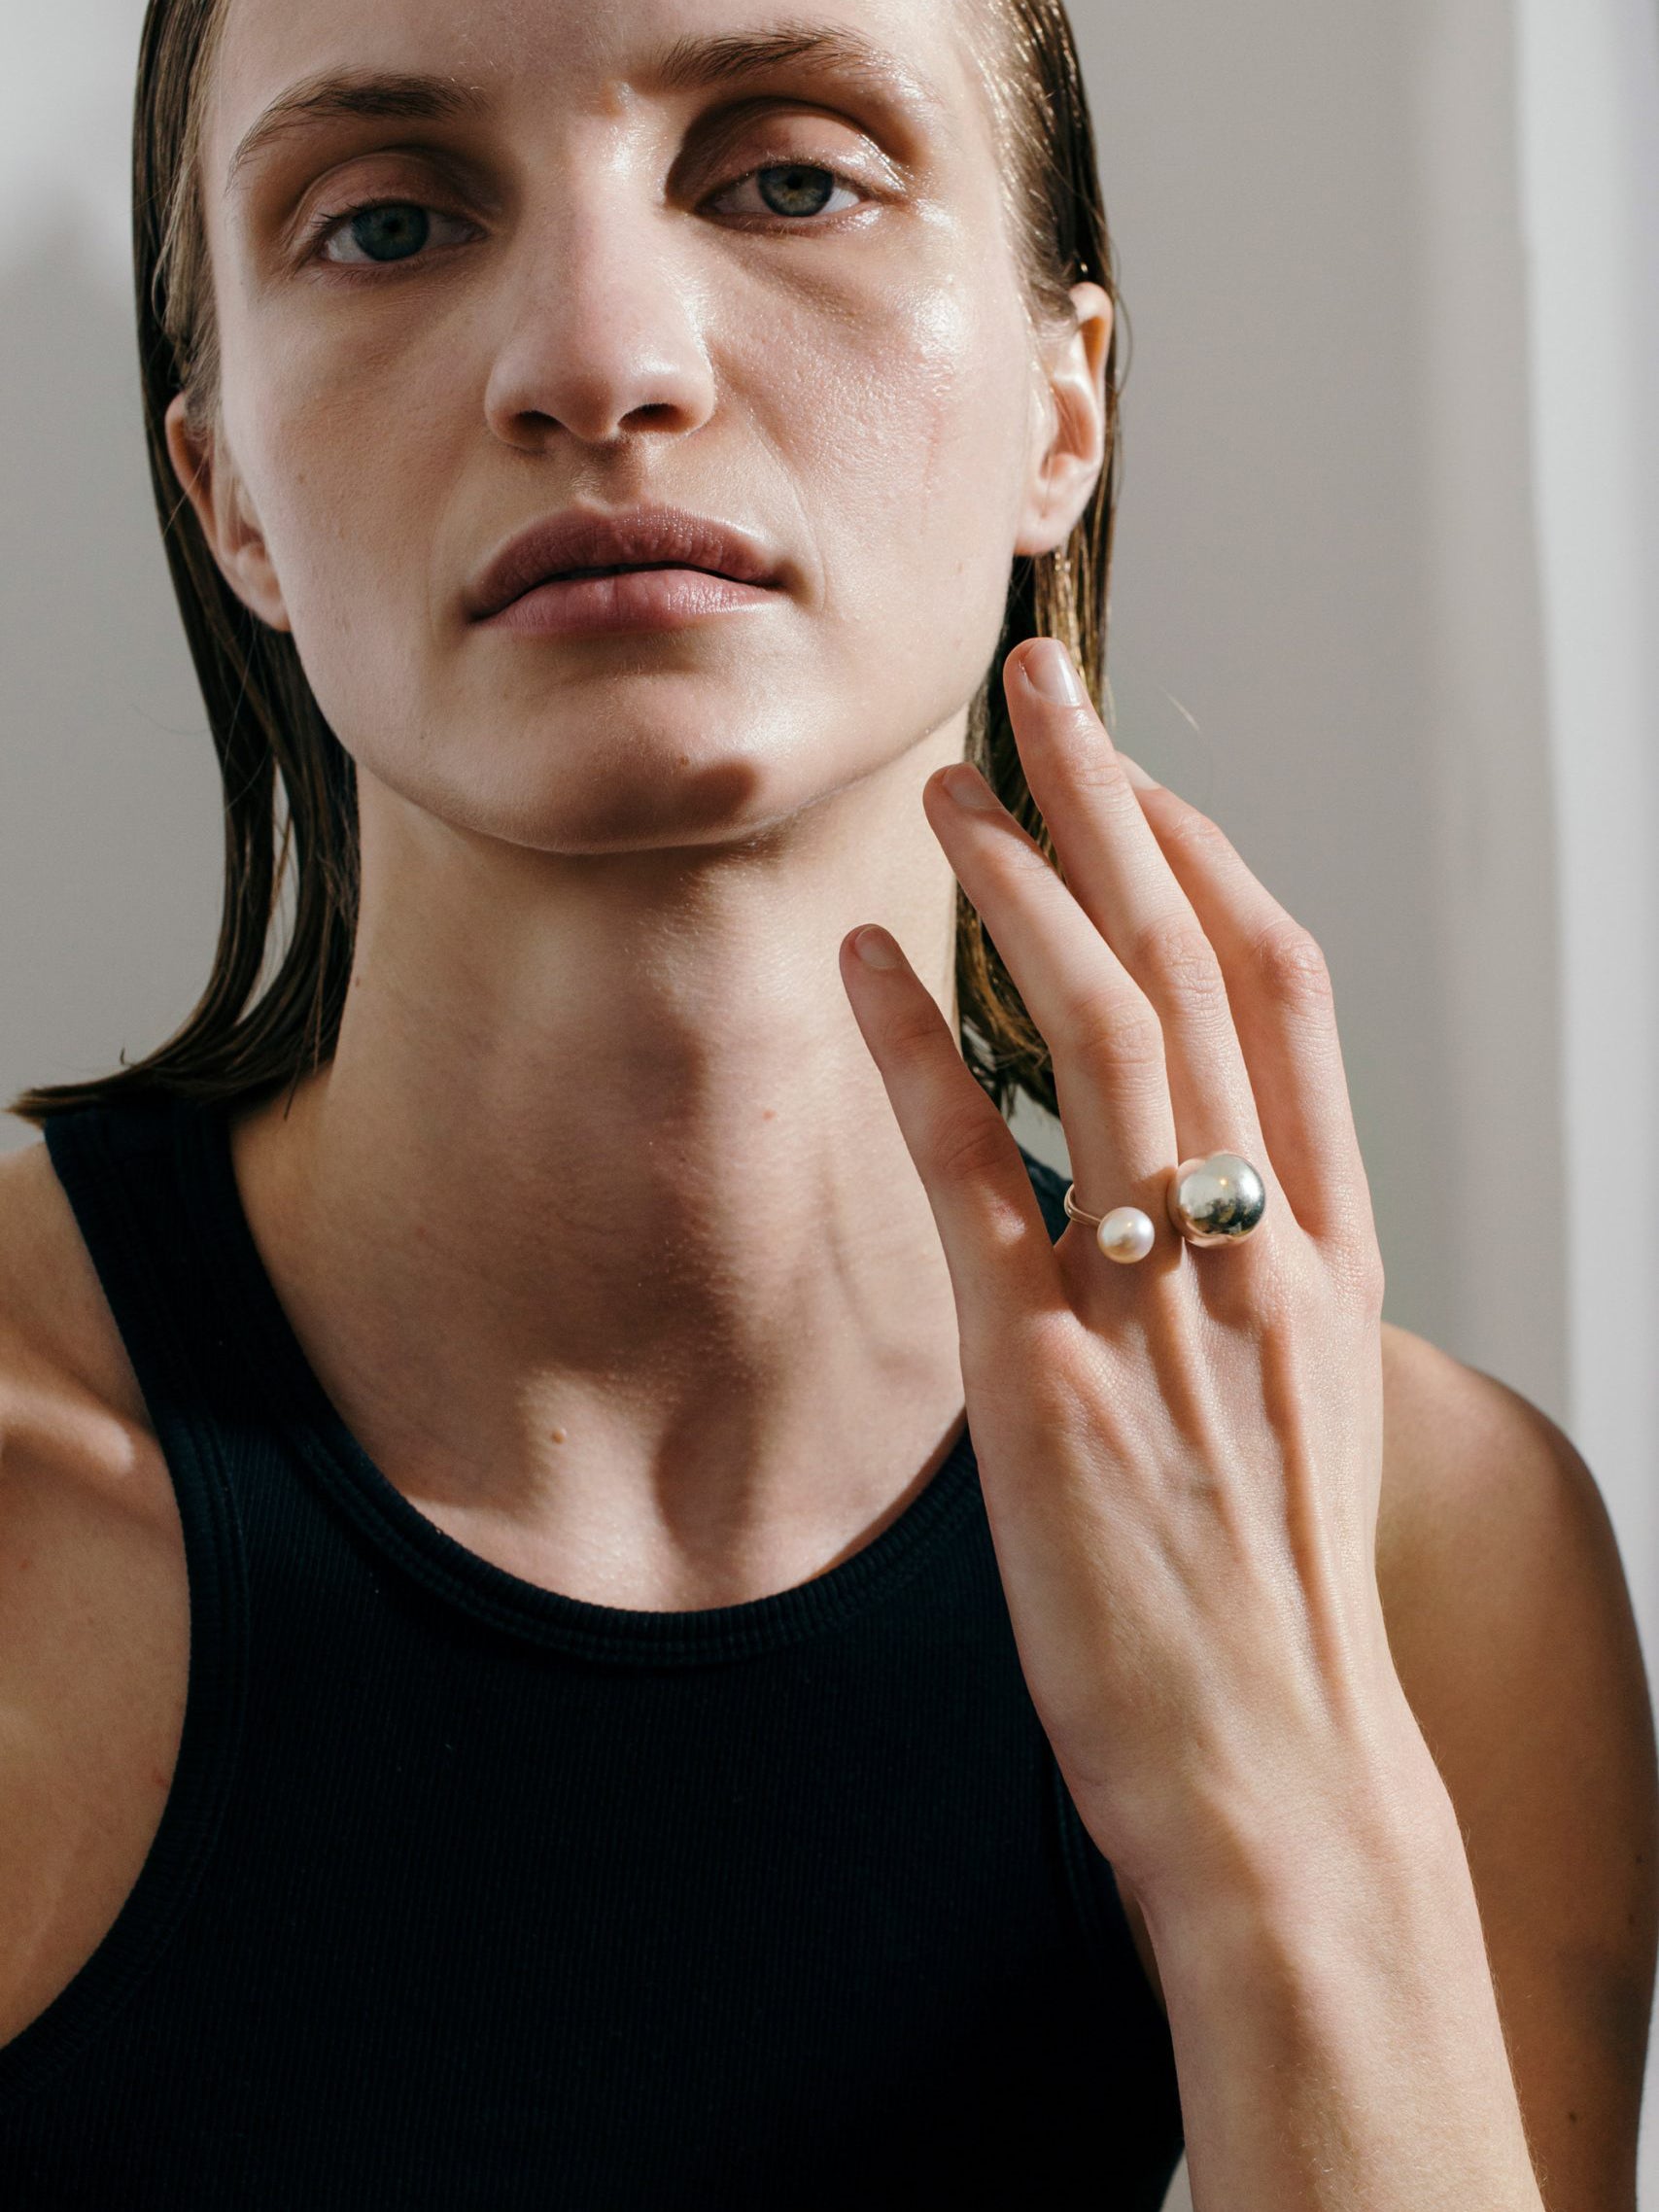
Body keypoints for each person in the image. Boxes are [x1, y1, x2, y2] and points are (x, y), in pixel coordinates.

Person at [0, 0, 1653, 2202]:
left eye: (789, 178)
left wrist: (1282, 1790)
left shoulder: (1422, 1547)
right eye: (389, 222)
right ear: (230, 496)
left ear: (1063, 403)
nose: (597, 361)